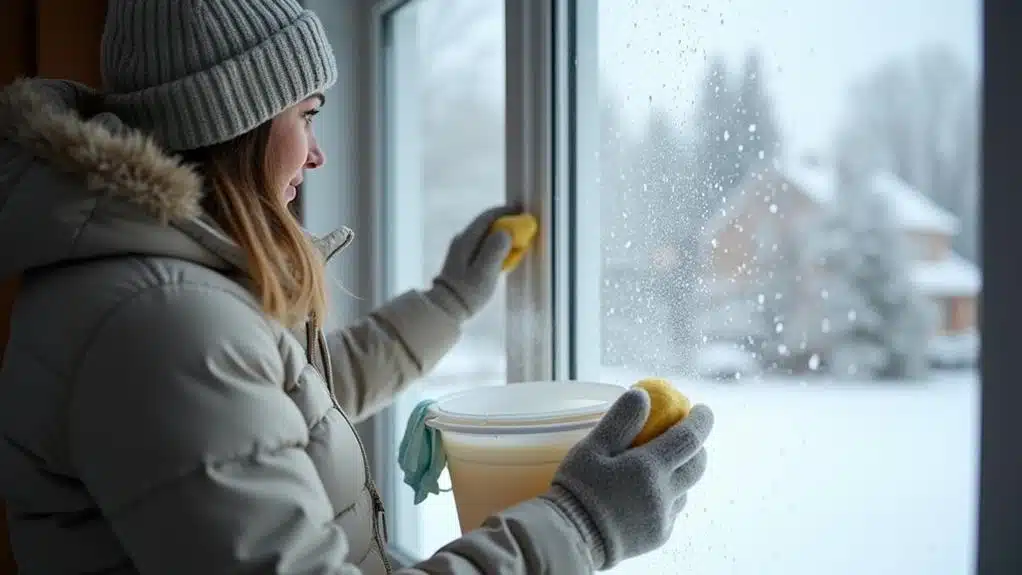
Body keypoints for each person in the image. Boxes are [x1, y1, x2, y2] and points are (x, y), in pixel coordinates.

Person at [0, 1, 714, 573]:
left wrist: (448, 301)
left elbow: (299, 397)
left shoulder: (153, 292)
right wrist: (579, 524)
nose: (318, 151)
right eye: (306, 115)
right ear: (233, 121)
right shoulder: (161, 325)